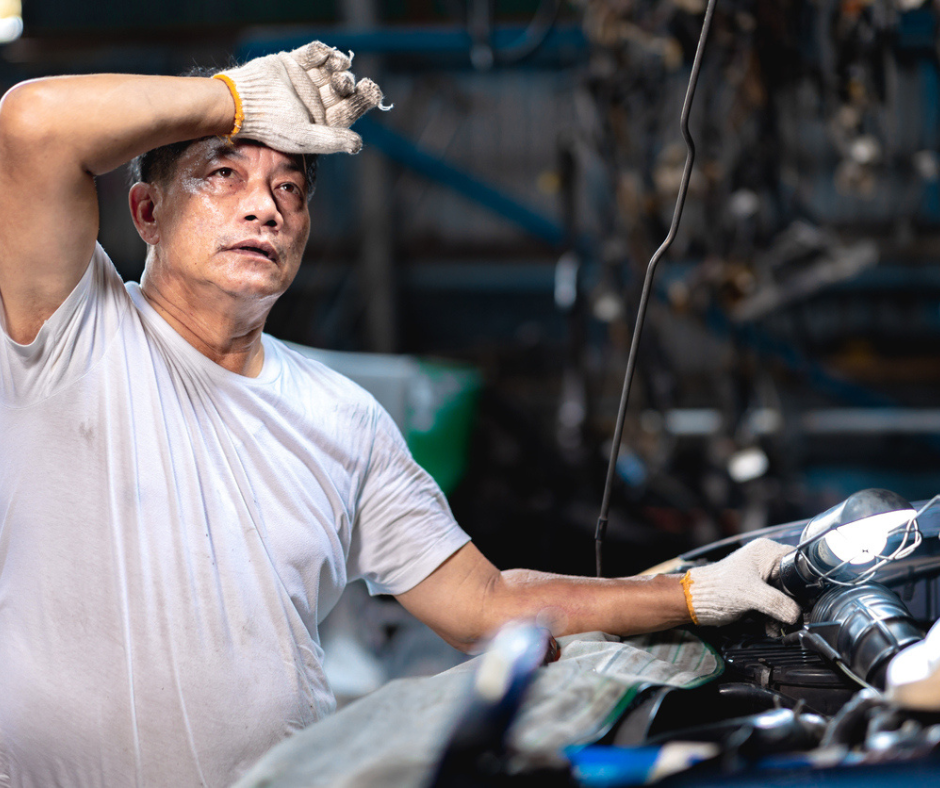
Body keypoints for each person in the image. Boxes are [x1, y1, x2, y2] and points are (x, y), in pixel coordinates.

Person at [0, 42, 801, 787]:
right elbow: (31, 125)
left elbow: (485, 607)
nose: (266, 208)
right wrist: (234, 100)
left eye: (290, 188)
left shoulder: (343, 419)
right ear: (145, 214)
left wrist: (691, 597)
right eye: (223, 176)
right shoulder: (75, 334)